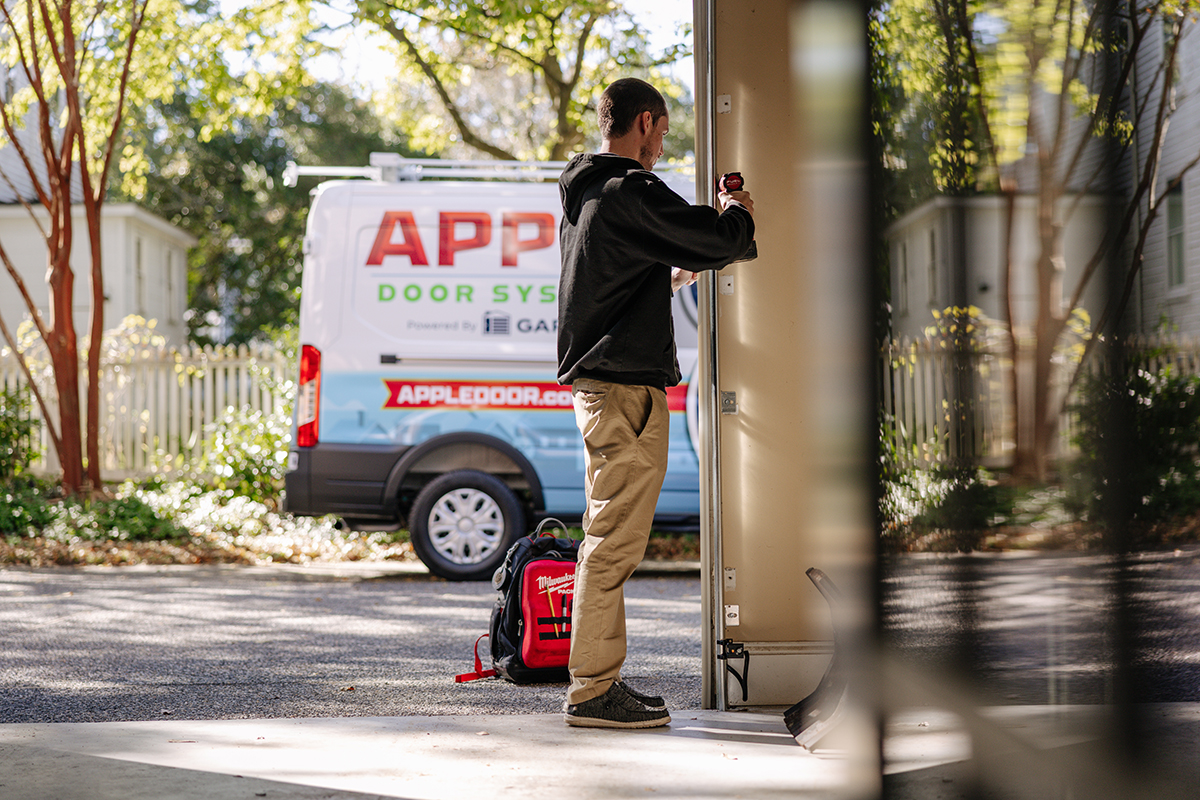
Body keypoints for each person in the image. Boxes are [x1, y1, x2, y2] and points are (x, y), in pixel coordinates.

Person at [557, 77, 756, 729]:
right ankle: (591, 689)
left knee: (605, 536)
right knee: (613, 542)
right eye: (664, 132)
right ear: (645, 122)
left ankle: (599, 680)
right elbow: (715, 237)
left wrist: (670, 277)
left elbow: (610, 286)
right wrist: (739, 212)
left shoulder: (584, 195)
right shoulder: (627, 189)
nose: (662, 147)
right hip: (624, 393)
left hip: (601, 389)